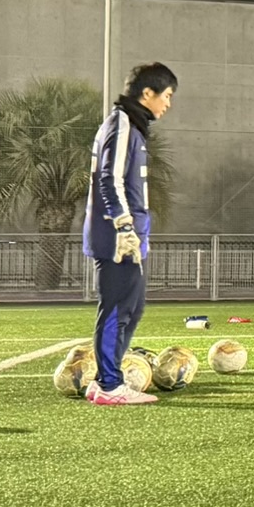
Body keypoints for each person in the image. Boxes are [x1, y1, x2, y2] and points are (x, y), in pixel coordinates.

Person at [83, 63, 176, 406]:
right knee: (117, 309)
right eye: (166, 95)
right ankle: (109, 385)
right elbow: (109, 178)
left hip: (132, 234)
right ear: (147, 93)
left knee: (132, 309)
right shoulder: (121, 122)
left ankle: (106, 381)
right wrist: (123, 226)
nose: (168, 104)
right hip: (117, 236)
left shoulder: (131, 125)